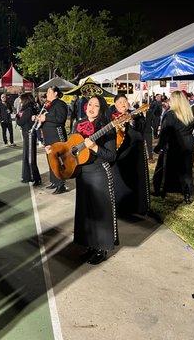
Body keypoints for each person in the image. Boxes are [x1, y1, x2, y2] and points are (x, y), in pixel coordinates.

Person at [68, 95, 117, 265]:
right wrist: (56, 148)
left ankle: (101, 248)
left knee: (99, 211)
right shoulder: (78, 123)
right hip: (82, 173)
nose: (92, 108)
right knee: (85, 211)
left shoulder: (107, 127)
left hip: (98, 173)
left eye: (96, 105)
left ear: (102, 109)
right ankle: (89, 244)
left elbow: (111, 156)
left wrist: (95, 147)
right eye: (90, 104)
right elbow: (71, 146)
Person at [153, 90, 194, 203]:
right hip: (188, 142)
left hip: (175, 143)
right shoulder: (189, 112)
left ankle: (162, 190)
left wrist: (159, 147)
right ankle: (187, 193)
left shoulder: (170, 114)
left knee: (166, 167)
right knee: (186, 169)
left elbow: (165, 133)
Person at [112, 94, 150, 216]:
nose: (123, 104)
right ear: (115, 105)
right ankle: (121, 207)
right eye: (120, 102)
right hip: (120, 154)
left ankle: (139, 207)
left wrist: (132, 121)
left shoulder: (136, 115)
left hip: (136, 153)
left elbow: (142, 128)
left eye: (125, 101)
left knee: (137, 179)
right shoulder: (111, 117)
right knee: (121, 181)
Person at [38, 86, 68, 194]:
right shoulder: (49, 105)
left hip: (57, 135)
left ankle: (61, 184)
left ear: (55, 93)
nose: (47, 94)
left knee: (57, 159)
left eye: (49, 92)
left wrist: (46, 118)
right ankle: (54, 181)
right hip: (48, 135)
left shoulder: (60, 104)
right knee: (50, 158)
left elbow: (61, 119)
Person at [16, 93, 42, 186]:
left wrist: (17, 116)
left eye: (21, 100)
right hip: (28, 134)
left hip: (29, 135)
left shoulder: (28, 109)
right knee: (27, 155)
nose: (20, 101)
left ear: (25, 100)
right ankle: (27, 176)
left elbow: (20, 121)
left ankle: (35, 178)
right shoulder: (28, 108)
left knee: (30, 157)